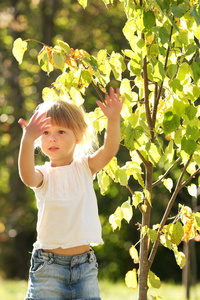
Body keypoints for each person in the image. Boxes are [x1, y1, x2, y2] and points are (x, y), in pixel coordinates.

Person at [18, 87, 123, 300]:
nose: (52, 139)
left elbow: (109, 150)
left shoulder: (85, 167)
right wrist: (27, 140)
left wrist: (113, 120)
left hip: (84, 266)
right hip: (48, 268)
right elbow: (27, 176)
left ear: (78, 136)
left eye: (61, 132)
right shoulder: (43, 175)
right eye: (45, 133)